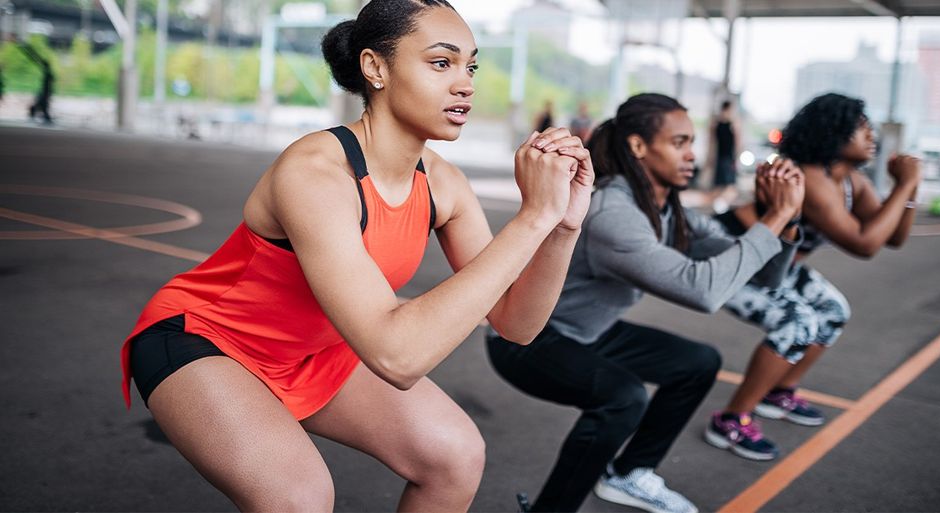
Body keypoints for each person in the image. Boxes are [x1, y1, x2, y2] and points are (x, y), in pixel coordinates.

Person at [119, 1, 595, 511]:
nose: (466, 84)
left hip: (311, 350)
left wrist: (562, 225)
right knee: (299, 497)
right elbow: (397, 357)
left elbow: (516, 323)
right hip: (207, 339)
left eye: (470, 65)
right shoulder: (316, 173)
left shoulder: (444, 185)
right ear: (375, 68)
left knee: (455, 456)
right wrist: (531, 219)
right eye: (441, 62)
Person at [486, 93, 805, 513]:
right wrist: (773, 220)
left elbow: (765, 274)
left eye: (693, 142)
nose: (693, 154)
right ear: (638, 146)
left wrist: (784, 217)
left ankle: (630, 474)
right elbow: (703, 290)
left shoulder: (669, 209)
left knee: (697, 363)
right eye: (679, 143)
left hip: (589, 332)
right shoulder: (612, 212)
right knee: (623, 397)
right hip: (526, 337)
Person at [704, 93, 922, 461]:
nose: (872, 136)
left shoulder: (852, 181)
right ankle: (730, 420)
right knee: (797, 323)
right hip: (736, 259)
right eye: (862, 126)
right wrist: (904, 184)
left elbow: (894, 238)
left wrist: (910, 188)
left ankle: (779, 392)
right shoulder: (809, 178)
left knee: (833, 311)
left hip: (779, 266)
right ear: (834, 133)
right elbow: (865, 244)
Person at [708, 99, 740, 211]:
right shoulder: (717, 124)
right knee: (720, 185)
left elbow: (737, 142)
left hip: (728, 157)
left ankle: (721, 205)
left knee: (730, 185)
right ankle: (719, 206)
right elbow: (712, 143)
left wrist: (736, 158)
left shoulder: (733, 124)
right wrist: (711, 158)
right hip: (721, 157)